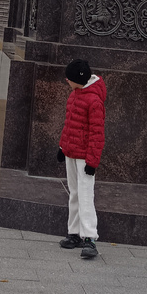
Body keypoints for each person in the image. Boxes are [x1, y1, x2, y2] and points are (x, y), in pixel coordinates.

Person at [56, 58, 106, 260]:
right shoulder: (74, 95)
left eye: (69, 78)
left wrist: (92, 162)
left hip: (85, 156)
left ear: (77, 79)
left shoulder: (94, 102)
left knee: (85, 195)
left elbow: (97, 134)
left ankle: (90, 238)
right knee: (74, 193)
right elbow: (69, 125)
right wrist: (62, 147)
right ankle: (74, 233)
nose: (66, 80)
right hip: (71, 152)